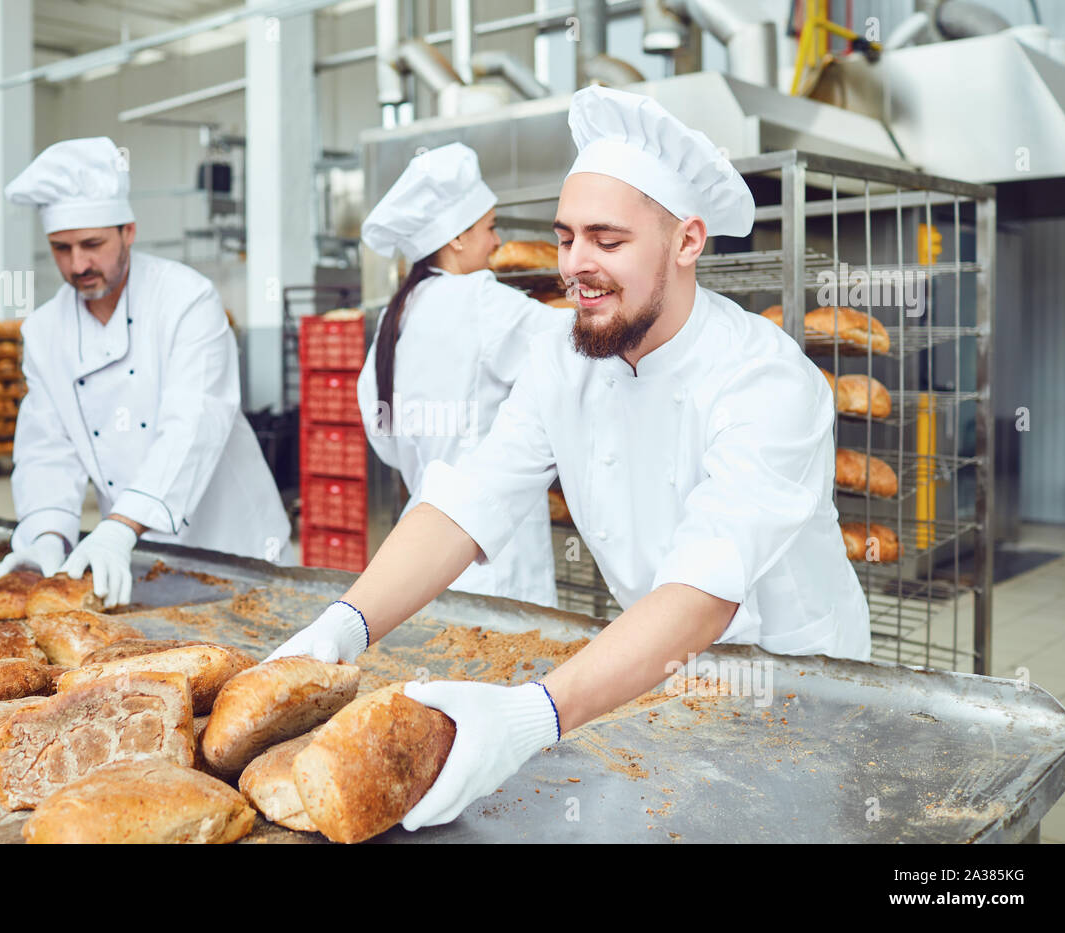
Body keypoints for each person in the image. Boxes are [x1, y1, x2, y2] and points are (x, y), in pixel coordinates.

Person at [267, 87, 870, 830]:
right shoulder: (565, 356)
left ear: (687, 241)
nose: (575, 266)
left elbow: (704, 587)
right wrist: (343, 625)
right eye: (565, 237)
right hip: (661, 671)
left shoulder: (766, 379)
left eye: (607, 241)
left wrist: (534, 714)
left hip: (801, 686)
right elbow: (471, 498)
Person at [0, 136, 292, 607]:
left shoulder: (186, 300)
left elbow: (192, 426)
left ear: (128, 231)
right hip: (132, 552)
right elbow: (47, 448)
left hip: (234, 547)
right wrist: (46, 535)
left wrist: (120, 527)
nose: (78, 264)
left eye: (93, 244)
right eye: (61, 248)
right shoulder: (45, 330)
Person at [357, 142, 566, 608]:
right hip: (492, 557)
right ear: (455, 237)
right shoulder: (480, 300)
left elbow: (385, 439)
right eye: (489, 228)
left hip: (421, 548)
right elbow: (580, 340)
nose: (495, 242)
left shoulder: (399, 315)